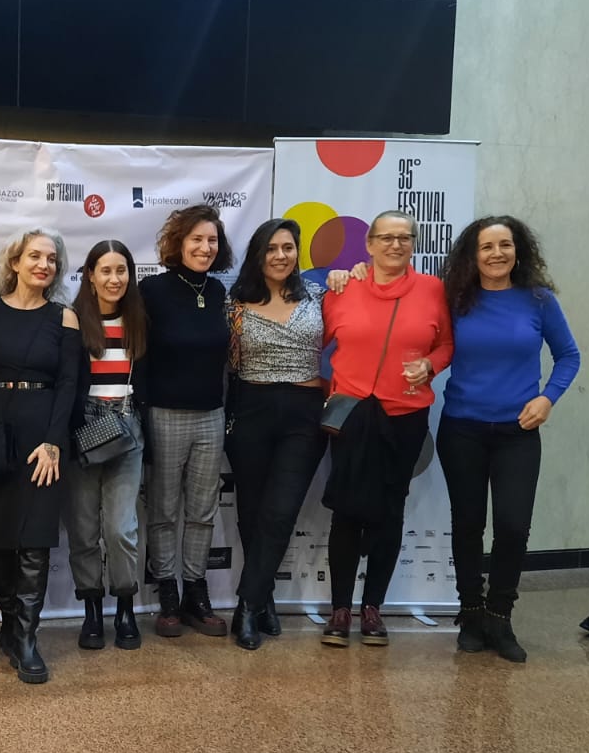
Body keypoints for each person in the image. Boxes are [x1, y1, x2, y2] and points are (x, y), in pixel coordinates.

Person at [434, 216, 579, 662]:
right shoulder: (454, 298)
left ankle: (500, 615)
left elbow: (569, 356)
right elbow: (425, 336)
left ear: (519, 251)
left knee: (513, 526)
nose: (496, 254)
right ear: (472, 255)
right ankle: (470, 614)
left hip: (518, 432)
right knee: (468, 525)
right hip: (462, 429)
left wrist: (548, 398)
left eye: (505, 245)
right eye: (487, 247)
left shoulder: (539, 300)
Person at [319, 210, 452, 647]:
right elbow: (313, 341)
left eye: (405, 238)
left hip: (404, 416)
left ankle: (372, 607)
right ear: (370, 244)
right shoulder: (343, 287)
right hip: (352, 413)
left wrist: (430, 364)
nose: (396, 245)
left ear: (414, 244)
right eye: (387, 238)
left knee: (390, 510)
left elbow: (446, 343)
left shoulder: (433, 289)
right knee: (346, 509)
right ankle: (340, 608)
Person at [0, 227, 81, 684]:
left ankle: (27, 637)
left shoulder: (64, 317)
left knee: (35, 536)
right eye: (35, 256)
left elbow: (70, 384)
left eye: (51, 259)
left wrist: (54, 441)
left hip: (43, 434)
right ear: (15, 262)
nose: (44, 265)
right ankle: (8, 624)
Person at [223, 218, 327, 651]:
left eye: (288, 247)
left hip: (305, 414)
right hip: (251, 409)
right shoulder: (234, 303)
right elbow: (226, 362)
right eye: (271, 248)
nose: (280, 256)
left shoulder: (320, 295)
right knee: (251, 511)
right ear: (257, 254)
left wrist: (351, 273)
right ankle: (263, 598)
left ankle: (246, 607)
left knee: (280, 512)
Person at [138, 205, 232, 638]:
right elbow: (139, 357)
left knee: (202, 513)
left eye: (212, 240)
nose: (205, 247)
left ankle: (196, 592)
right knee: (162, 512)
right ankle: (168, 597)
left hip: (211, 415)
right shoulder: (152, 290)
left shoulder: (218, 291)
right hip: (164, 415)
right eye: (196, 239)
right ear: (178, 243)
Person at [62, 239, 147, 651]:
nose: (114, 279)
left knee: (120, 528)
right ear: (90, 276)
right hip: (82, 426)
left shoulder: (140, 320)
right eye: (106, 271)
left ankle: (125, 607)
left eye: (121, 270)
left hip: (126, 425)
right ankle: (91, 610)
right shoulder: (73, 319)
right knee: (82, 529)